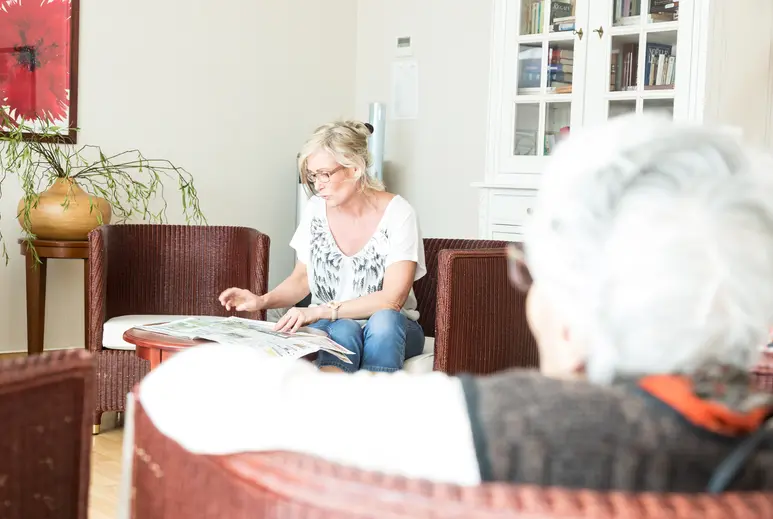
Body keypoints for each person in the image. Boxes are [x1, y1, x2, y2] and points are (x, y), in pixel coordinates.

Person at [128, 114, 773, 493]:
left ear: (573, 315)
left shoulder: (496, 425)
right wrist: (268, 301)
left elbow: (180, 392)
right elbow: (301, 280)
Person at [219, 120, 427, 373]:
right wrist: (261, 300)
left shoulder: (398, 213)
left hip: (393, 329)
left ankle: (374, 395)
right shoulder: (316, 209)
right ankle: (333, 395)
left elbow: (392, 300)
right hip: (334, 327)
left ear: (355, 168)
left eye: (325, 174)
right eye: (313, 175)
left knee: (384, 320)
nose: (318, 185)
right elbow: (301, 280)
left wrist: (320, 311)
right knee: (344, 328)